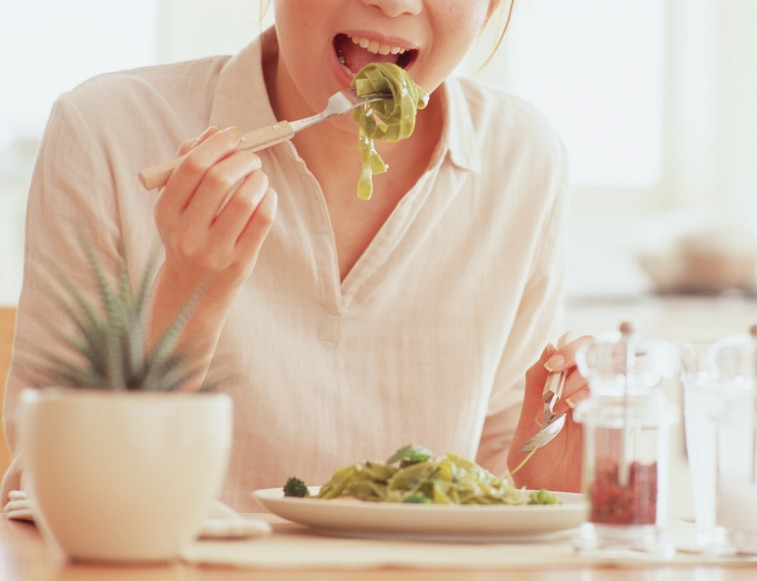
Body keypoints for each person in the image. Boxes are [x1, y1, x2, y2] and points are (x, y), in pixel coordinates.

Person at [2, 0, 588, 512]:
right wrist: (188, 299)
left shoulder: (523, 160)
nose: (393, 2)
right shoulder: (109, 131)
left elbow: (488, 489)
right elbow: (40, 497)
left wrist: (541, 488)